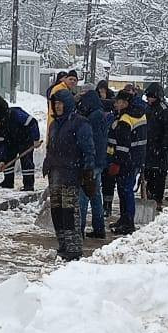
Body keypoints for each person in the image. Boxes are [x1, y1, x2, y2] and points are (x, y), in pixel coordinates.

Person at [42, 89, 97, 259]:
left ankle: (73, 247)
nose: (58, 107)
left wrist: (88, 171)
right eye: (55, 104)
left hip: (71, 174)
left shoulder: (80, 123)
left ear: (68, 104)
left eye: (60, 103)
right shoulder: (54, 125)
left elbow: (88, 149)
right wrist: (47, 162)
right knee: (57, 211)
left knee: (69, 212)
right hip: (55, 174)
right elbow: (51, 147)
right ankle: (63, 244)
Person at [110, 87, 147, 233]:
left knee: (125, 191)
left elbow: (123, 145)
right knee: (127, 190)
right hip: (137, 158)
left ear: (125, 102)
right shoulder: (141, 114)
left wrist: (117, 163)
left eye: (118, 102)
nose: (115, 105)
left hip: (127, 161)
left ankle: (128, 222)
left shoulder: (125, 119)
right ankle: (125, 219)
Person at [78, 84, 113, 239]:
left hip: (91, 161)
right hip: (99, 160)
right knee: (95, 194)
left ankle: (79, 229)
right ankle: (99, 228)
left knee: (84, 195)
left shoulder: (91, 117)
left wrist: (87, 161)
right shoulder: (99, 113)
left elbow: (90, 141)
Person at [141, 82, 168, 212]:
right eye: (148, 97)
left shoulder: (166, 109)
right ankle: (148, 196)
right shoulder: (148, 108)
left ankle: (158, 200)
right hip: (148, 147)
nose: (149, 99)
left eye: (151, 97)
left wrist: (163, 148)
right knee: (148, 175)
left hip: (160, 148)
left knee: (159, 176)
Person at [0, 102, 41, 191]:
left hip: (25, 138)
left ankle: (28, 185)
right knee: (8, 158)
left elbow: (32, 122)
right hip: (11, 140)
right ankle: (8, 182)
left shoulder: (16, 114)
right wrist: (1, 160)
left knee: (26, 161)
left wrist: (36, 139)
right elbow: (1, 143)